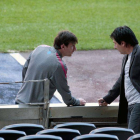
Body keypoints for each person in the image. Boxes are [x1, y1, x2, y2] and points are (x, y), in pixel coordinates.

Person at [15, 30, 86, 106]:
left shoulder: (39, 48)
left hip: (19, 100)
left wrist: (27, 90)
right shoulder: (59, 65)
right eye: (72, 46)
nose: (75, 49)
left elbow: (25, 69)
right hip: (35, 109)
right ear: (63, 46)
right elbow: (64, 92)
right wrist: (76, 102)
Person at [98, 26, 140, 134]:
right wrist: (108, 98)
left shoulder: (139, 54)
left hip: (138, 103)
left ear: (123, 43)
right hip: (131, 104)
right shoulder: (127, 56)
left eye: (115, 43)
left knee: (133, 136)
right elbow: (122, 79)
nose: (114, 47)